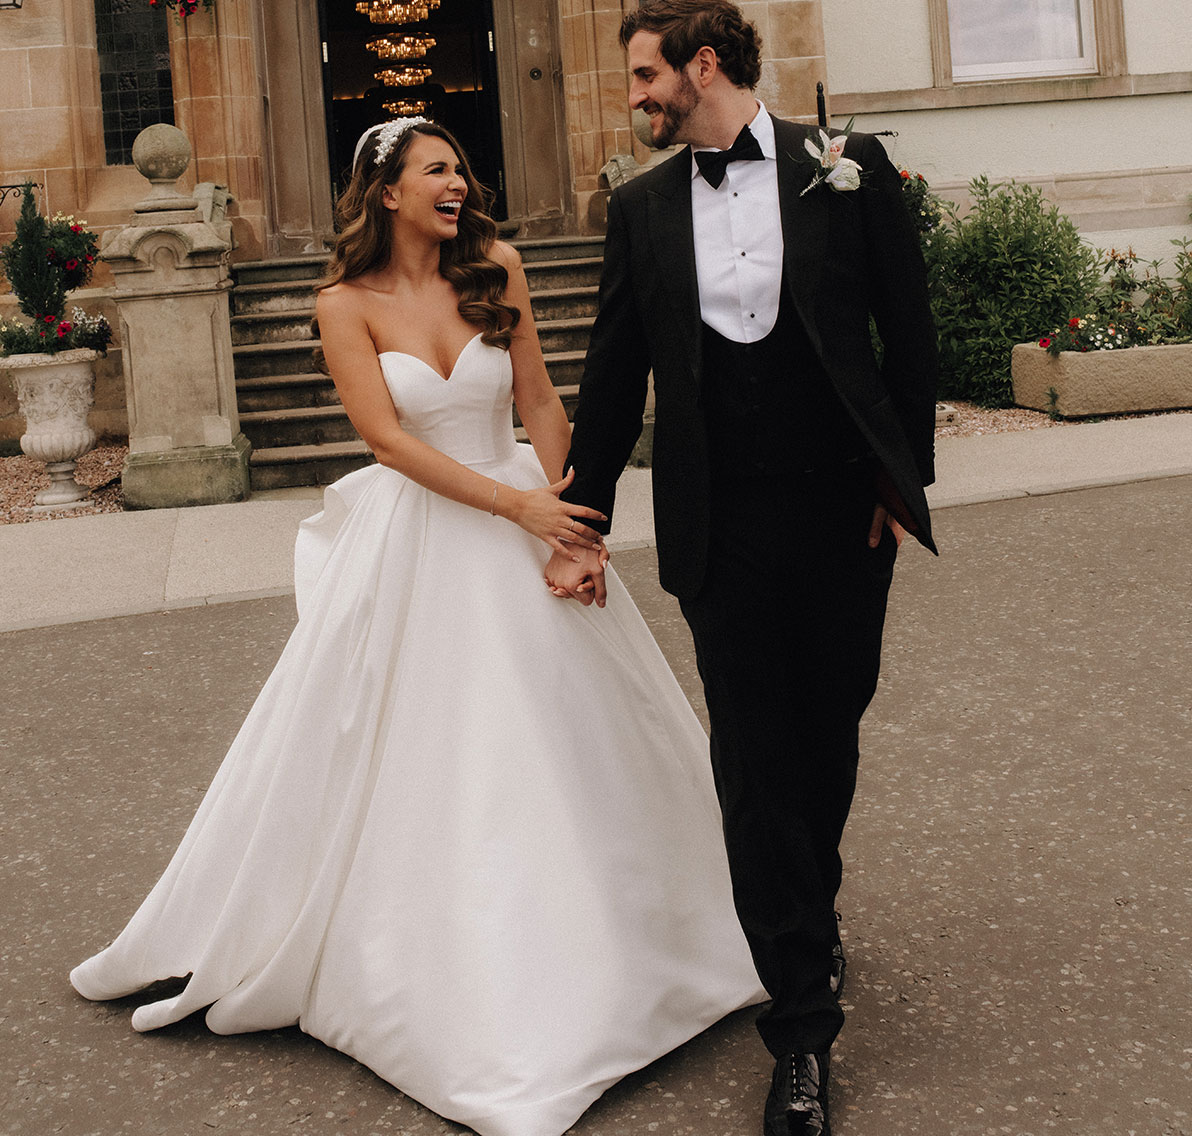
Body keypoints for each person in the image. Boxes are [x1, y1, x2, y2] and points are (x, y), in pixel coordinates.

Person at [70, 116, 764, 1136]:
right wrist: (514, 510)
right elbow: (387, 440)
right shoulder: (340, 304)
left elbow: (539, 401)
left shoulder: (500, 270)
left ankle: (665, 951)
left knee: (579, 742)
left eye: (462, 170)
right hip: (429, 538)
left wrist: (573, 523)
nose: (459, 184)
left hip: (532, 517)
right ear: (386, 192)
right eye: (437, 170)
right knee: (432, 755)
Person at [559, 0, 939, 1136]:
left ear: (703, 65)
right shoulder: (638, 210)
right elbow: (617, 374)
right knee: (754, 763)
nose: (633, 97)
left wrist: (898, 483)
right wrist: (579, 517)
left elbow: (908, 334)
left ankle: (803, 915)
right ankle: (802, 1030)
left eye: (643, 76)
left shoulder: (846, 167)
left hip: (842, 521)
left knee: (827, 739)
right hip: (720, 530)